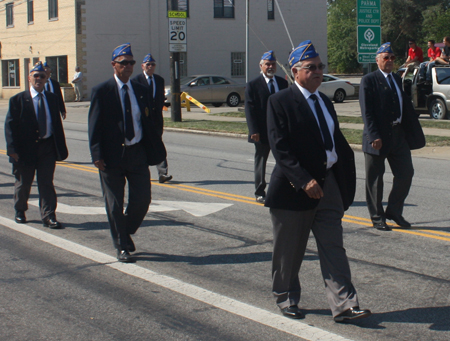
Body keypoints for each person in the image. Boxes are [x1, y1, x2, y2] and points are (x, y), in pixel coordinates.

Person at [265, 40, 371, 323]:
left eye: (320, 67)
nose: (318, 71)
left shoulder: (324, 101)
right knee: (289, 250)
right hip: (293, 189)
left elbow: (334, 140)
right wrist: (303, 180)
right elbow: (280, 148)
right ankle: (286, 297)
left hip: (330, 185)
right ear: (295, 72)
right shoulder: (279, 101)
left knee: (333, 246)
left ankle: (345, 304)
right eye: (311, 67)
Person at [88, 43, 167, 263]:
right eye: (124, 63)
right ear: (114, 65)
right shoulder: (101, 91)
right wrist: (96, 154)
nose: (129, 66)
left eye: (131, 62)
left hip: (137, 152)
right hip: (111, 156)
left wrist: (155, 145)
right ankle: (121, 246)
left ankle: (125, 230)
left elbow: (148, 120)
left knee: (142, 199)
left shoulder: (140, 90)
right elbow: (94, 125)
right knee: (114, 204)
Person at [359, 42, 425, 231]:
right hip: (377, 137)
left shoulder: (396, 79)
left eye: (392, 57)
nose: (389, 61)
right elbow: (367, 111)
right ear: (377, 60)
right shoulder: (369, 80)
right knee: (375, 180)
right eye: (385, 57)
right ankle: (377, 216)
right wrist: (373, 135)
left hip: (398, 135)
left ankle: (394, 211)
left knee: (406, 174)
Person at [4, 61, 68, 229]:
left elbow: (56, 125)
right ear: (29, 78)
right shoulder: (18, 100)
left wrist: (59, 147)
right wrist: (12, 150)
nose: (39, 79)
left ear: (47, 78)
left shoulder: (52, 99)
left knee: (46, 183)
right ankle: (20, 210)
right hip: (25, 149)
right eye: (36, 76)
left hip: (47, 147)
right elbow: (10, 126)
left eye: (42, 76)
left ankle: (48, 216)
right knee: (24, 183)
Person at [245, 50, 288, 203]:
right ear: (261, 66)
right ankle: (260, 192)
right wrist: (253, 130)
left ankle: (282, 190)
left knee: (284, 161)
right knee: (261, 162)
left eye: (273, 64)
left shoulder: (283, 83)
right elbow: (249, 110)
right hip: (262, 132)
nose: (270, 67)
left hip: (280, 132)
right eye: (267, 64)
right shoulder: (253, 85)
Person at [133, 53, 173, 183]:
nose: (150, 67)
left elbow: (160, 99)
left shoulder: (159, 80)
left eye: (153, 64)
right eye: (148, 64)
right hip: (143, 120)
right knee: (142, 146)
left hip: (156, 120)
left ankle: (163, 173)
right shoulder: (136, 81)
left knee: (158, 145)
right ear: (142, 66)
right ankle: (142, 172)